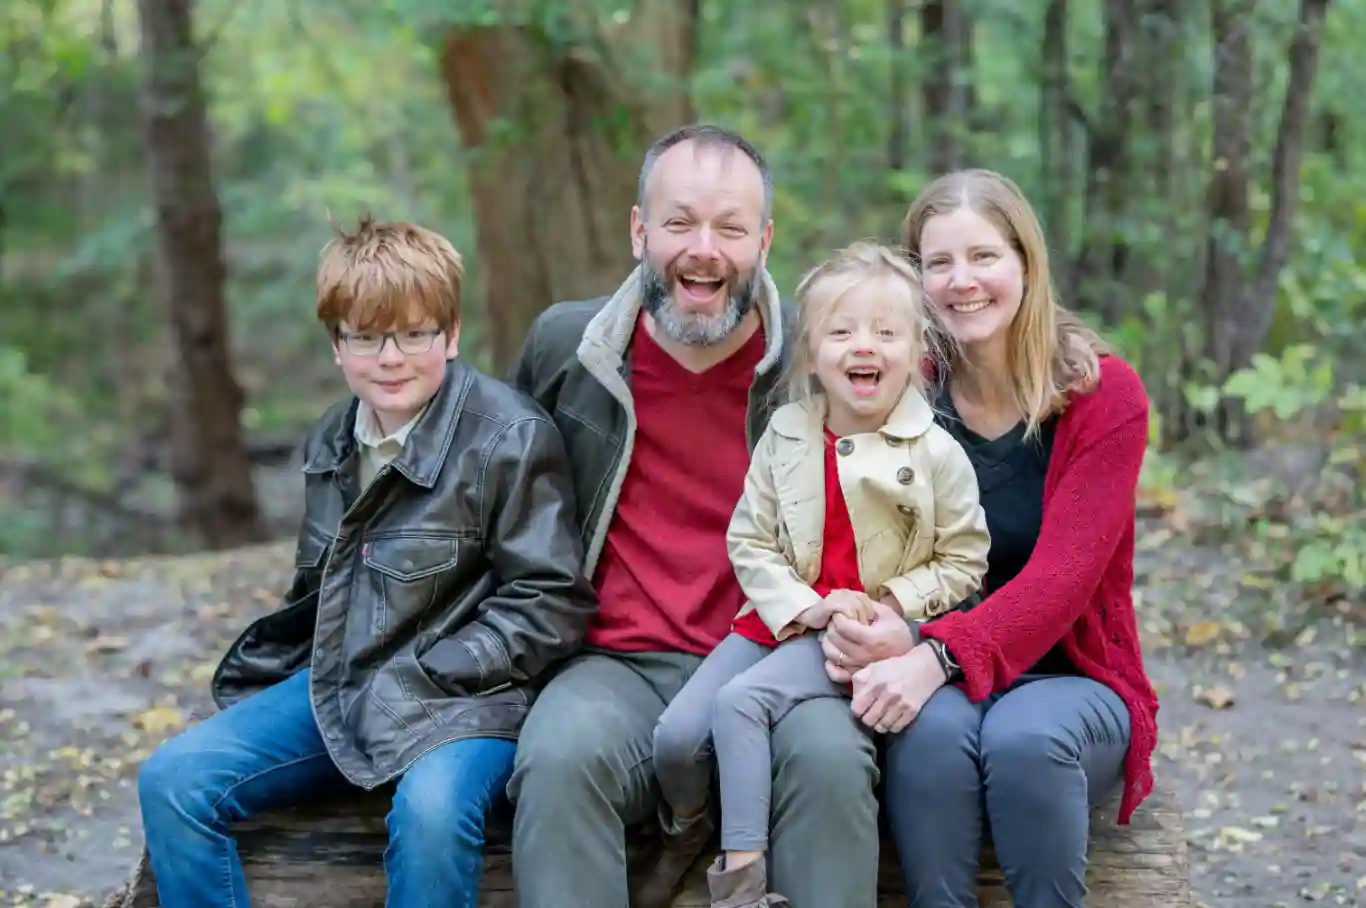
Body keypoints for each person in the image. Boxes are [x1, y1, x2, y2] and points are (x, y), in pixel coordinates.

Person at [135, 215, 598, 908]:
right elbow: (319, 591)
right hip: (350, 685)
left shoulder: (510, 437)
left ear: (451, 335)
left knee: (432, 813)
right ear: (337, 345)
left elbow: (551, 600)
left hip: (471, 701)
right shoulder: (331, 439)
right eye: (367, 337)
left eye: (414, 334)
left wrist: (436, 670)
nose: (391, 358)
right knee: (175, 779)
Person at [507, 124, 883, 908]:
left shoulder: (819, 363)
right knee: (560, 757)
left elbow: (933, 436)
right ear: (639, 231)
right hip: (617, 666)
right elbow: (497, 495)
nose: (703, 250)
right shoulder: (569, 350)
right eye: (679, 223)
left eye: (731, 229)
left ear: (765, 242)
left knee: (829, 763)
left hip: (783, 660)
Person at [818, 169, 1161, 908]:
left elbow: (1062, 582)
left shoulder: (1103, 397)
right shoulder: (906, 391)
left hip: (1073, 678)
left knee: (1023, 739)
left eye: (983, 257)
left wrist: (933, 653)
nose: (962, 281)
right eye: (938, 262)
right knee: (928, 736)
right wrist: (879, 625)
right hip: (940, 671)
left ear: (1026, 263)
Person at [651, 240, 991, 908]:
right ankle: (688, 828)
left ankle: (741, 888)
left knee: (740, 704)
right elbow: (750, 539)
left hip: (853, 638)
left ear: (916, 353)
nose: (864, 346)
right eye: (841, 332)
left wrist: (892, 604)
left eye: (886, 333)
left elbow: (965, 559)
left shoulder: (935, 452)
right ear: (810, 354)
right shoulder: (785, 433)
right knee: (677, 737)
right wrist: (804, 605)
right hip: (782, 618)